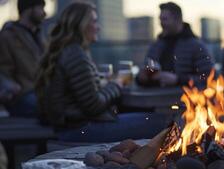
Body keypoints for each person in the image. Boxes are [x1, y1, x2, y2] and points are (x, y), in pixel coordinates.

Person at [36, 2, 169, 143]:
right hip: (79, 130)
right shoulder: (75, 55)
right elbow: (93, 106)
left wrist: (104, 83)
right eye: (94, 21)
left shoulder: (68, 51)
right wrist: (116, 84)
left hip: (71, 127)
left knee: (148, 117)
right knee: (162, 122)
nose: (98, 27)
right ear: (81, 25)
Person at [136, 2, 213, 87]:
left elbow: (210, 79)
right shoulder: (156, 46)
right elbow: (145, 71)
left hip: (185, 98)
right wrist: (140, 78)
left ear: (178, 20)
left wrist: (178, 80)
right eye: (160, 19)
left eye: (165, 19)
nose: (161, 23)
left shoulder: (197, 46)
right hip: (155, 98)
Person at [0, 0, 46, 117]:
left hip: (41, 93)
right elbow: (3, 69)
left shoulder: (40, 36)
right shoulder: (8, 37)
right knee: (52, 109)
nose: (44, 13)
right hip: (22, 96)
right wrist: (12, 87)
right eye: (40, 8)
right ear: (28, 9)